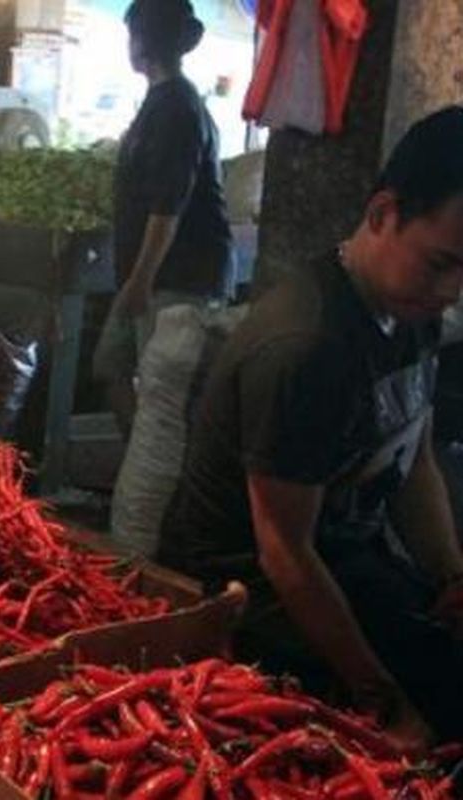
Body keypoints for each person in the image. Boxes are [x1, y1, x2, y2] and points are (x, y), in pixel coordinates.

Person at [159, 107, 463, 749]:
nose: (452, 291)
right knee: (425, 731)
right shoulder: (307, 348)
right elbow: (283, 553)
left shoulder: (414, 309)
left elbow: (417, 459)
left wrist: (449, 578)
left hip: (340, 559)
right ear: (383, 213)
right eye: (441, 263)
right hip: (246, 593)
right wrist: (383, 705)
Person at [93, 0, 233, 437]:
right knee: (109, 367)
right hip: (153, 276)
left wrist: (140, 281)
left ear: (144, 43)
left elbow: (167, 206)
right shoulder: (162, 101)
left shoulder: (177, 108)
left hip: (178, 279)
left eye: (132, 36)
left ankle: (163, 478)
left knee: (165, 395)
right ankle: (146, 458)